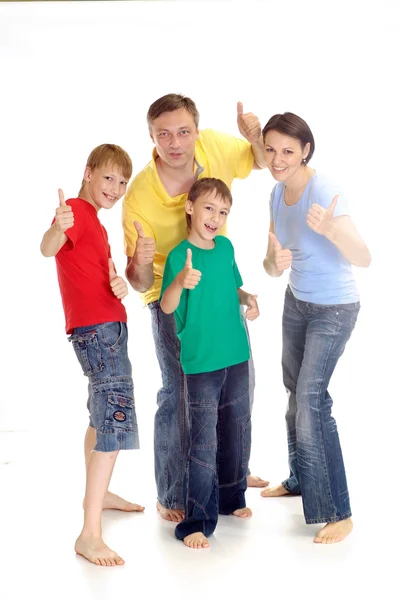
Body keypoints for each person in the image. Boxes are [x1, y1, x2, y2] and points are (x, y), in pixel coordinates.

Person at [122, 93, 269, 523]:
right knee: (180, 392)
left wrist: (255, 138)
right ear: (151, 136)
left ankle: (229, 479)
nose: (175, 142)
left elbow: (260, 161)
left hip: (218, 293)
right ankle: (173, 491)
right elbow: (140, 283)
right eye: (163, 134)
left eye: (184, 131)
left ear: (196, 132)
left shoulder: (215, 148)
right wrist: (142, 260)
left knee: (237, 388)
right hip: (173, 297)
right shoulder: (140, 196)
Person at [260, 112, 371, 544]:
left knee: (311, 398)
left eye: (287, 151)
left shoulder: (323, 189)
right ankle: (300, 476)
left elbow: (364, 257)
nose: (277, 158)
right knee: (294, 394)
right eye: (270, 149)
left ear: (305, 150)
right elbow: (270, 262)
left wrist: (331, 230)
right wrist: (274, 263)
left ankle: (338, 510)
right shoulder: (274, 193)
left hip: (335, 309)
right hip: (296, 303)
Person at [40, 144, 144, 567]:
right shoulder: (78, 213)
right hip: (99, 334)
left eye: (122, 182)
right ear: (88, 173)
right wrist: (57, 225)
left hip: (106, 329)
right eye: (108, 178)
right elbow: (48, 248)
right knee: (113, 422)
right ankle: (90, 533)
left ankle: (99, 495)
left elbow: (101, 277)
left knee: (98, 417)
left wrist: (118, 286)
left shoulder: (97, 227)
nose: (116, 188)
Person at [160, 177, 259, 548]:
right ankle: (197, 520)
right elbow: (168, 308)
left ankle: (234, 497)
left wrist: (248, 297)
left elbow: (232, 285)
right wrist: (181, 281)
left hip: (236, 354)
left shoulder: (226, 247)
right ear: (190, 207)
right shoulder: (178, 257)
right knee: (203, 443)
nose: (215, 217)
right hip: (201, 362)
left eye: (223, 212)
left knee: (236, 427)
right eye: (209, 208)